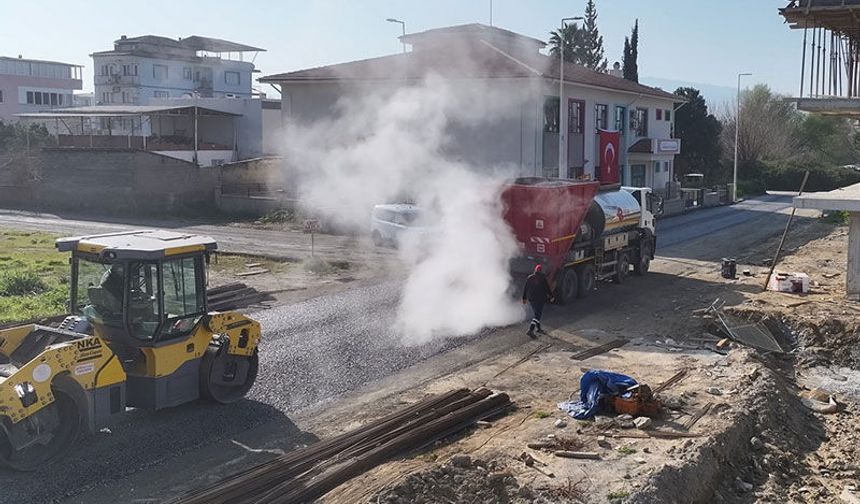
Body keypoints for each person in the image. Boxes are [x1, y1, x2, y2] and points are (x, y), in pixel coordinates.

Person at [522, 264, 553, 338]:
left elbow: (525, 288)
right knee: (537, 315)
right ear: (541, 271)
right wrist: (551, 296)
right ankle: (530, 330)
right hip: (540, 299)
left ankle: (538, 329)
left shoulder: (529, 278)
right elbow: (547, 288)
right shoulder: (543, 278)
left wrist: (524, 298)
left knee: (537, 313)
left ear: (535, 270)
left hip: (531, 299)